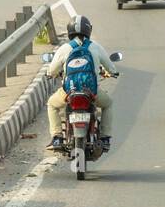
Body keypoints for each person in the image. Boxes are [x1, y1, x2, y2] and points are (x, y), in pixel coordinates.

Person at [45, 15, 118, 152]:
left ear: (69, 31)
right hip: (91, 93)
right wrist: (113, 72)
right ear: (88, 31)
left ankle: (57, 138)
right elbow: (110, 67)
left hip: (69, 92)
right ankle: (105, 138)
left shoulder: (64, 48)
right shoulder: (95, 47)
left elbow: (53, 69)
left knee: (52, 104)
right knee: (108, 104)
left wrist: (50, 74)